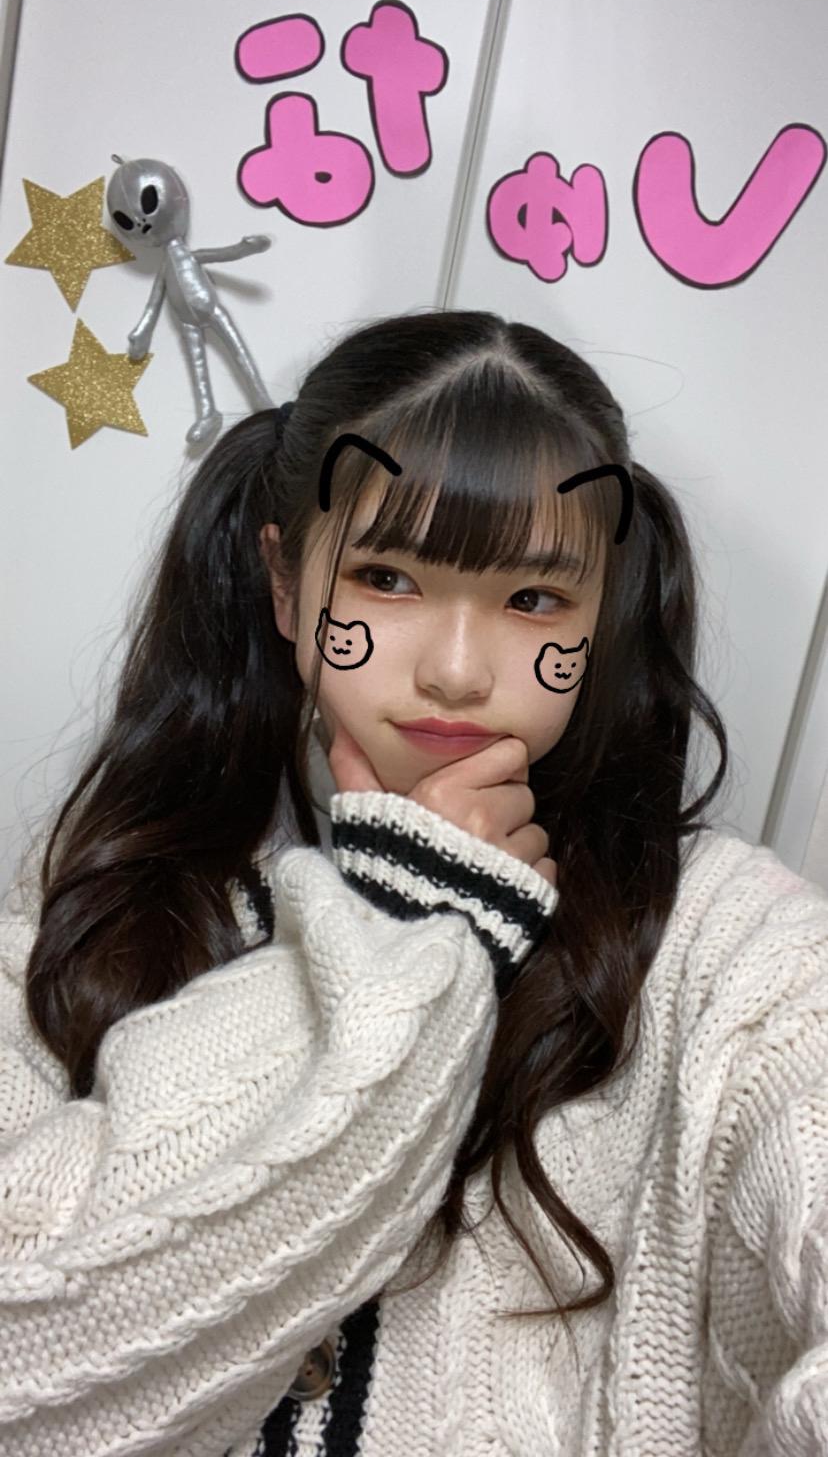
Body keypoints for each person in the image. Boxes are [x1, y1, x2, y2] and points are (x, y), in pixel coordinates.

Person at [1, 309, 826, 1456]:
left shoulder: (726, 948)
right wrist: (412, 921)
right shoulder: (96, 916)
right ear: (286, 583)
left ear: (601, 615)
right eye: (386, 577)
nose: (455, 669)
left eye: (535, 599)